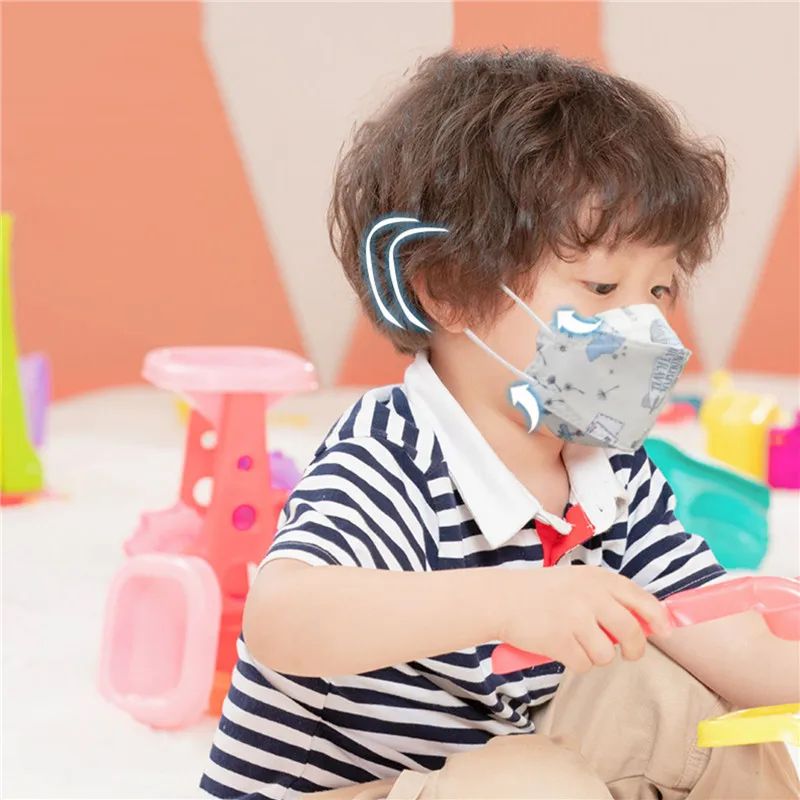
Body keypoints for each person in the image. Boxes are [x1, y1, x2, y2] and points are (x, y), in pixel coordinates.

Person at [201, 48, 800, 800]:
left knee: (684, 708)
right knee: (530, 783)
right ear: (448, 289)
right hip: (345, 789)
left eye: (659, 289)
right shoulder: (395, 452)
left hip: (488, 761)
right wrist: (509, 600)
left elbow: (724, 637)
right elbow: (283, 616)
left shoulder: (610, 468)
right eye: (602, 286)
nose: (644, 325)